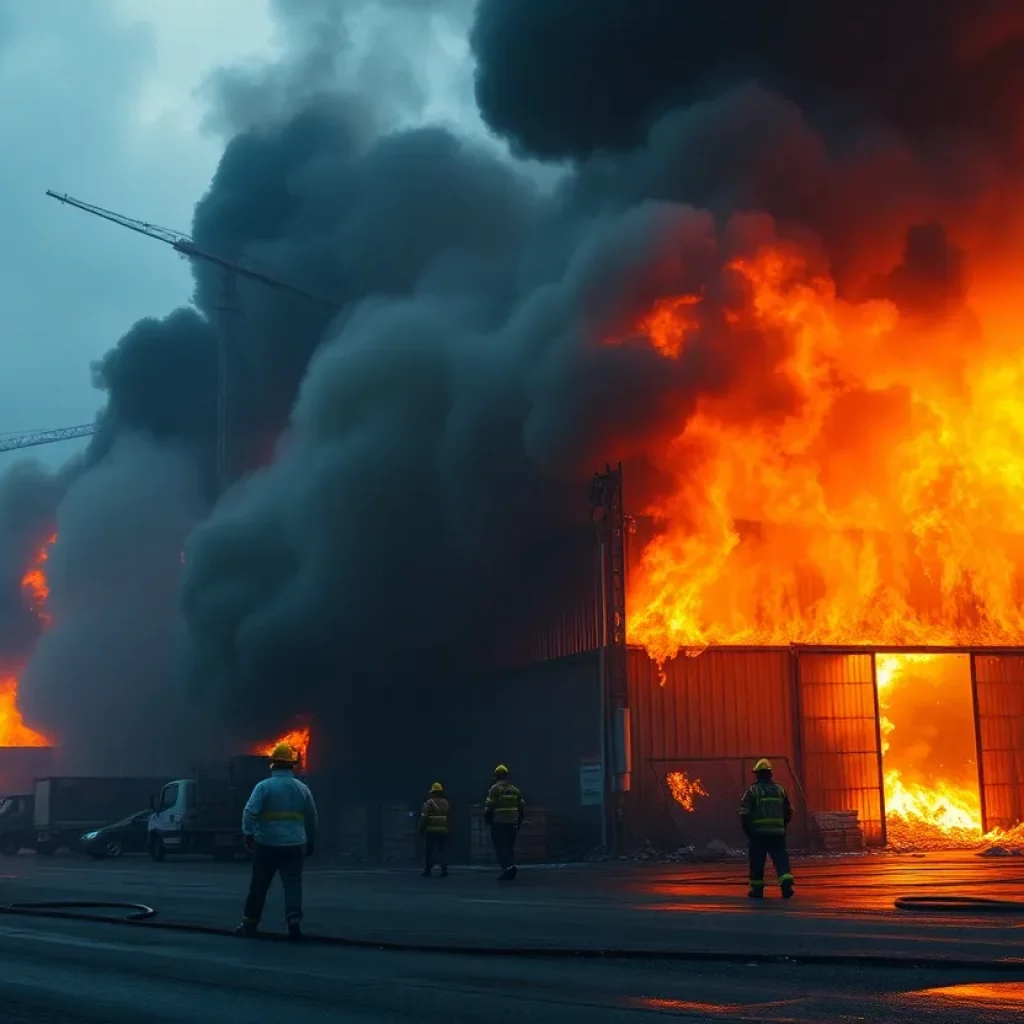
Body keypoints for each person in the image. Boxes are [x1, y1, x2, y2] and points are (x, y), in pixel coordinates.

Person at [235, 742, 318, 940]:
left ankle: (249, 925)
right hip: (295, 844)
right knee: (292, 884)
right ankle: (293, 921)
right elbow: (312, 817)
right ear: (292, 765)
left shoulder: (263, 787)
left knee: (260, 884)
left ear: (273, 765)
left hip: (267, 844)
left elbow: (249, 812)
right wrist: (311, 841)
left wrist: (248, 834)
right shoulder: (302, 788)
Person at [739, 758, 794, 899]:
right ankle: (786, 883)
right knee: (780, 857)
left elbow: (744, 813)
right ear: (770, 773)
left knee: (757, 861)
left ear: (757, 774)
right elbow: (789, 811)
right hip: (777, 833)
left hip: (758, 834)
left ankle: (757, 890)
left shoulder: (753, 791)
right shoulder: (780, 790)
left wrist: (750, 832)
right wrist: (781, 825)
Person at [484, 764, 524, 881]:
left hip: (499, 822)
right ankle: (510, 868)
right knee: (509, 846)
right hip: (512, 822)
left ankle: (508, 867)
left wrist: (487, 818)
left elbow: (489, 805)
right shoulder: (514, 789)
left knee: (501, 847)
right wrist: (519, 820)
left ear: (496, 776)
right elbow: (521, 806)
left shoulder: (495, 789)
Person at [419, 782, 450, 877]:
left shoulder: (428, 803)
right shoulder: (445, 802)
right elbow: (447, 813)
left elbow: (424, 817)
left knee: (429, 851)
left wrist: (421, 828)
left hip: (431, 830)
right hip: (443, 830)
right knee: (442, 850)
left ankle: (428, 869)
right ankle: (444, 869)